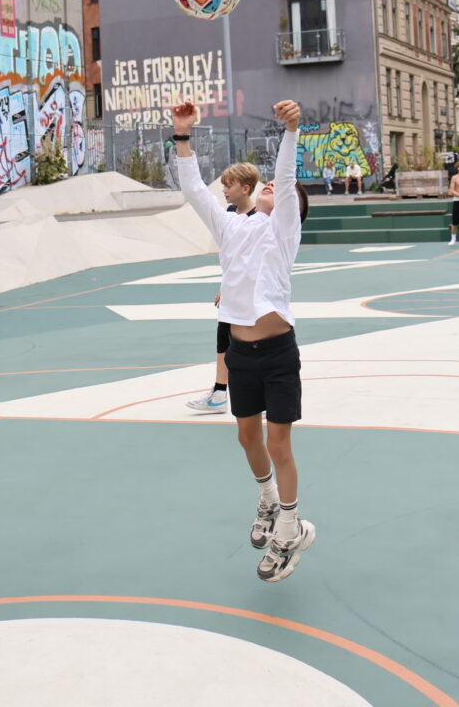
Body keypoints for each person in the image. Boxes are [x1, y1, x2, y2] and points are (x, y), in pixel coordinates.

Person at [172, 99, 312, 583]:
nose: (271, 186)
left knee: (279, 441)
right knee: (246, 436)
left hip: (277, 352)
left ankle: (292, 526)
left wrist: (290, 129)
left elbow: (287, 178)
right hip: (241, 353)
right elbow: (193, 188)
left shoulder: (282, 231)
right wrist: (182, 134)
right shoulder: (231, 224)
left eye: (277, 188)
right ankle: (269, 499)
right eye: (265, 185)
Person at [187, 192, 246, 415]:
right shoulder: (230, 214)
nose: (224, 189)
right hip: (235, 292)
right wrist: (226, 287)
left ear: (245, 187)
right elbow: (233, 260)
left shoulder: (261, 219)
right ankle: (220, 393)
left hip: (254, 296)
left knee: (252, 345)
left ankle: (258, 396)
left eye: (230, 184)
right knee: (225, 337)